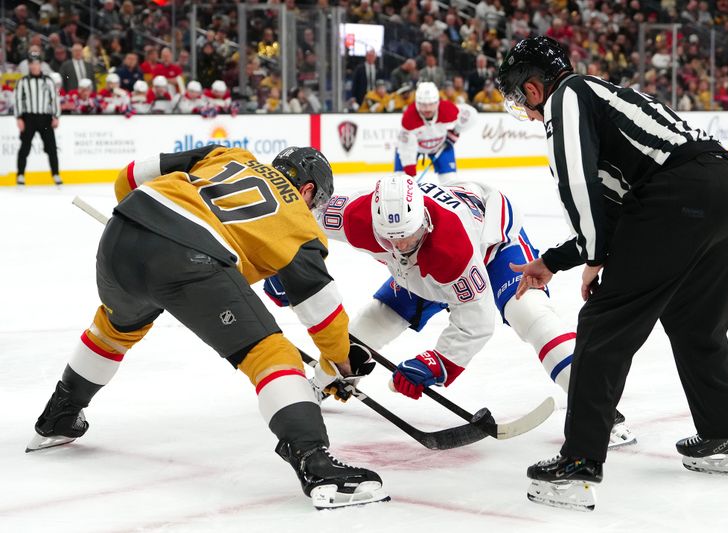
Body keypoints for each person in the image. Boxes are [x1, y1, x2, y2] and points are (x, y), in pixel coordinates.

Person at [26, 145, 389, 510]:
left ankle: (60, 414)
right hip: (191, 257)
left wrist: (149, 228)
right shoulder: (300, 222)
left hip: (124, 232)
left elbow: (129, 177)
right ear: (308, 190)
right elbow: (321, 312)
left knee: (114, 329)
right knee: (270, 353)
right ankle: (317, 465)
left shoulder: (230, 155)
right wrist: (338, 363)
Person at [496, 36, 728, 510]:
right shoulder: (603, 100)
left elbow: (577, 184)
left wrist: (595, 258)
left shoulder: (569, 95)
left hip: (683, 196)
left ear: (534, 88)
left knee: (602, 327)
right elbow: (621, 211)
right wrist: (555, 261)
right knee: (695, 324)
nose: (529, 112)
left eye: (522, 98)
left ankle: (579, 462)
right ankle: (724, 438)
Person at [265, 174, 635, 446]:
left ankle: (598, 409)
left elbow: (476, 321)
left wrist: (437, 363)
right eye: (391, 239)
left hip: (494, 247)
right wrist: (282, 264)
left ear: (424, 220)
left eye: (408, 236)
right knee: (371, 325)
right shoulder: (354, 216)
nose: (401, 244)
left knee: (533, 316)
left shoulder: (451, 248)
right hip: (420, 271)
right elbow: (298, 224)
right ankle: (327, 381)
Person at [395, 81, 475, 185]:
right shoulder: (409, 118)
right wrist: (410, 174)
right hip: (414, 148)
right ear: (417, 103)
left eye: (431, 104)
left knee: (451, 181)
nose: (427, 109)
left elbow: (471, 115)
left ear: (437, 102)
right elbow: (406, 149)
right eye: (423, 105)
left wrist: (456, 131)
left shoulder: (447, 109)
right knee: (401, 182)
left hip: (440, 146)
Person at [14, 53, 61, 186]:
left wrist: (56, 116)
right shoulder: (23, 81)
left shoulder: (48, 81)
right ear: (28, 65)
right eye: (32, 63)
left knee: (51, 147)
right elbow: (18, 100)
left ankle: (56, 174)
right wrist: (19, 118)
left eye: (36, 63)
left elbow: (54, 99)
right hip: (28, 117)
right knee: (25, 146)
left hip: (45, 118)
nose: (34, 66)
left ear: (40, 64)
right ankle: (21, 174)